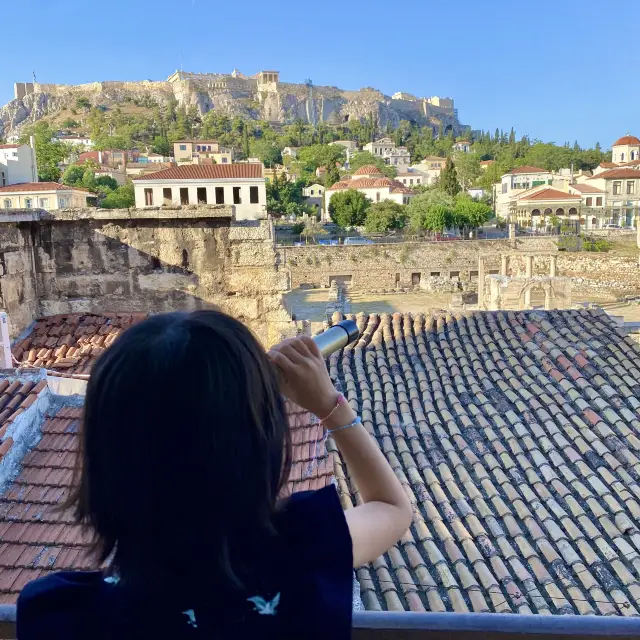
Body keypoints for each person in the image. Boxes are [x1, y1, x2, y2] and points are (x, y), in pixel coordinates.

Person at [17, 310, 413, 639]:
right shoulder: (304, 552)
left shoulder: (58, 617)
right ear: (258, 450)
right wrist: (330, 406)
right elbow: (391, 508)